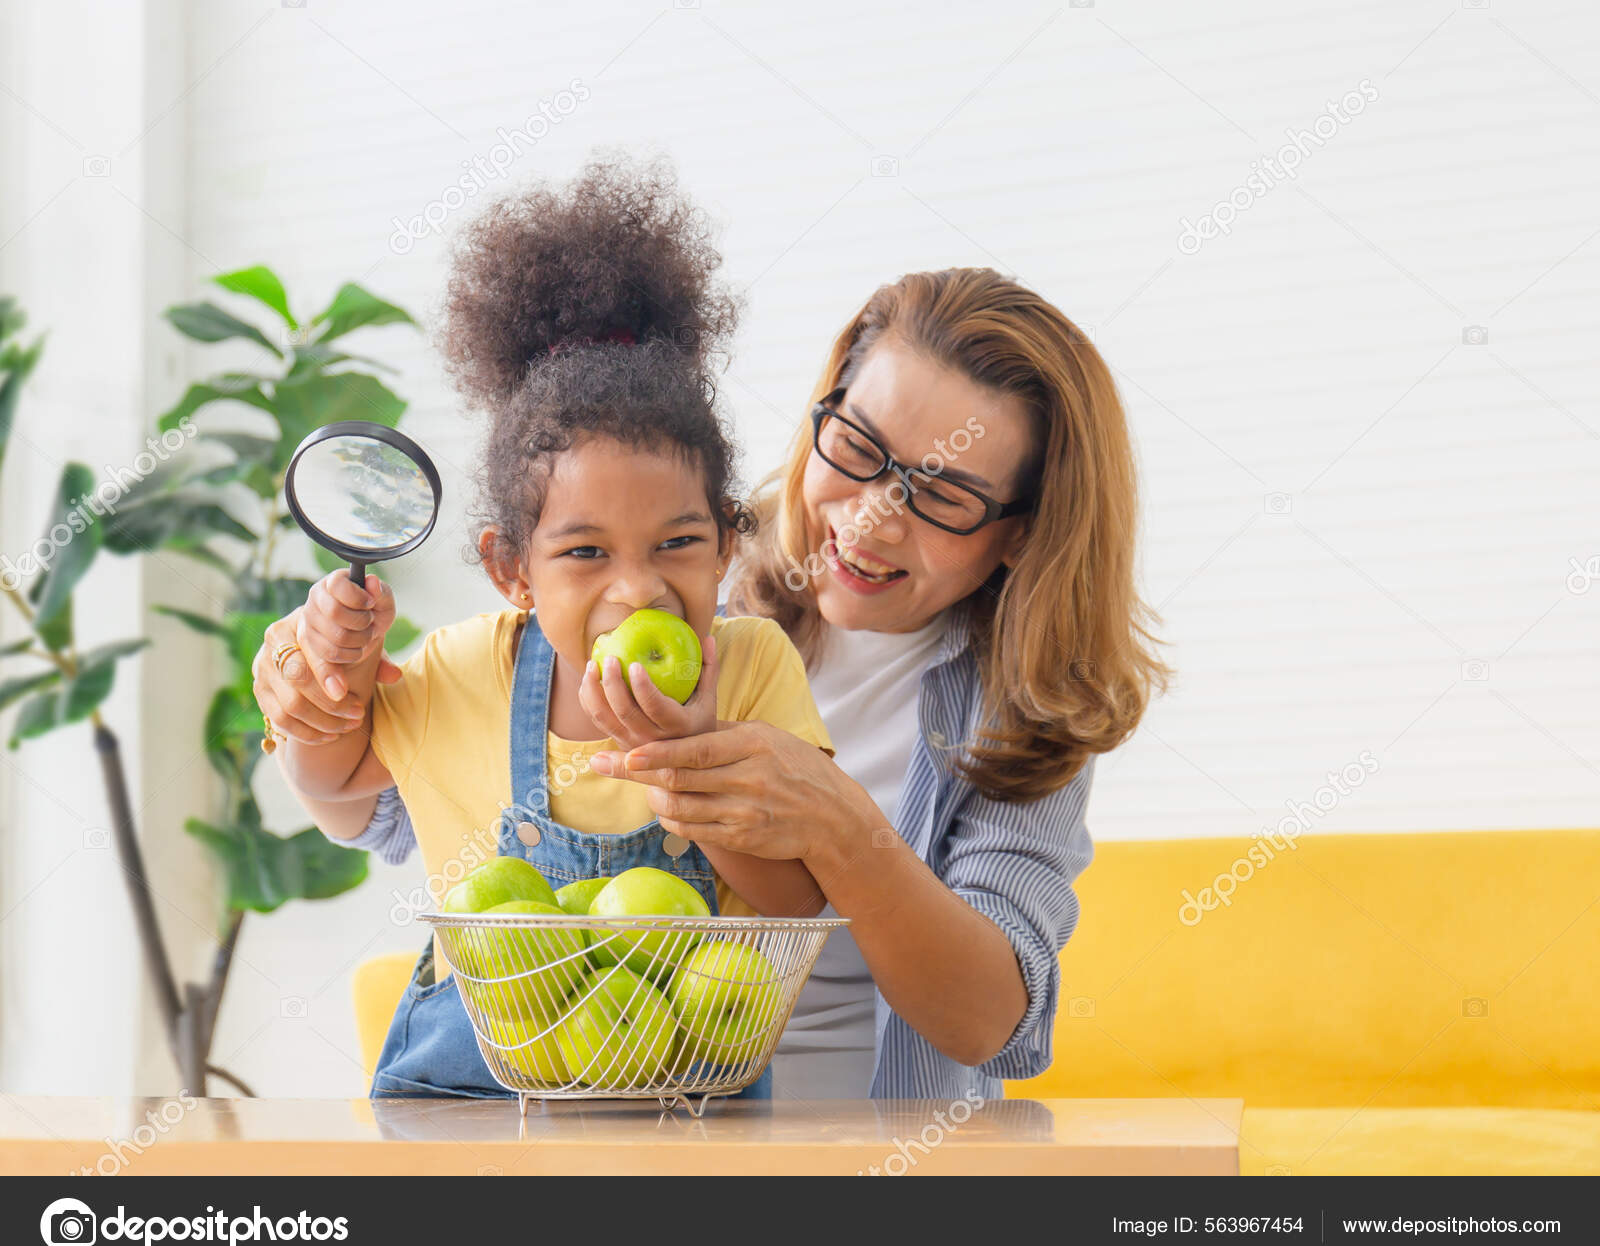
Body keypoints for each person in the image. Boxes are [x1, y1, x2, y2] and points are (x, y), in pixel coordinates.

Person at [260, 253, 1166, 1104]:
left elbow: (988, 1025)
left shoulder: (1019, 718)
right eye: (858, 446)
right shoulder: (664, 593)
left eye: (946, 494)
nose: (876, 518)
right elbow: (382, 811)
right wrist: (310, 697)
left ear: (1018, 531)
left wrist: (840, 829)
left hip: (847, 1145)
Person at [257, 157, 831, 1098]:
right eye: (585, 553)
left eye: (678, 542)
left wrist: (693, 767)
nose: (639, 591)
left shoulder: (755, 667)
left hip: (684, 1107)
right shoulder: (461, 669)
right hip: (466, 1104)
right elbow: (343, 799)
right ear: (509, 570)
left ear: (729, 544)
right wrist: (326, 688)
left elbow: (795, 899)